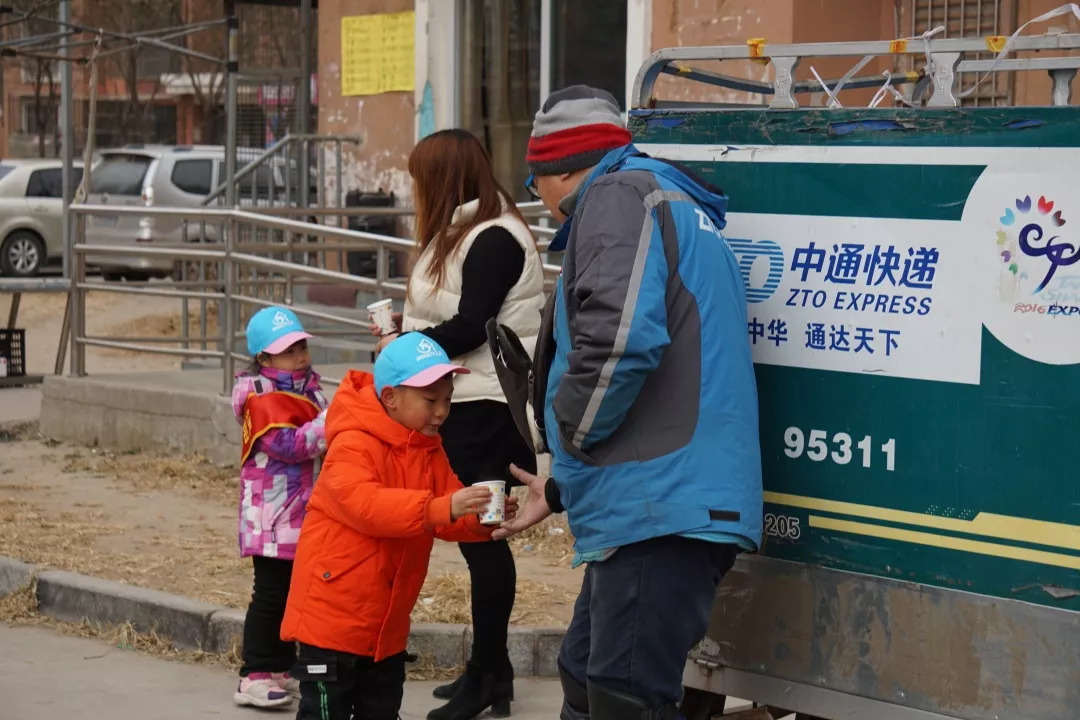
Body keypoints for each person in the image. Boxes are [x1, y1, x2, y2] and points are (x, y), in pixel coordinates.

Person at [494, 85, 764, 720]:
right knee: (589, 677)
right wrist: (562, 487)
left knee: (620, 692)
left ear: (560, 169)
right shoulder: (656, 199)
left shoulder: (617, 197)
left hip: (659, 503)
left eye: (536, 184)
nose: (542, 201)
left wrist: (571, 437)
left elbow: (619, 340)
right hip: (656, 497)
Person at [369, 128, 545, 720]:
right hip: (467, 402)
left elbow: (472, 326)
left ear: (443, 179)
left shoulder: (493, 236)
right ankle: (492, 672)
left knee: (483, 538)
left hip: (488, 408)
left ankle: (486, 673)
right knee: (480, 539)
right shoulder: (470, 229)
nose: (416, 189)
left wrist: (405, 345)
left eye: (422, 178)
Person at [279, 333, 518, 720]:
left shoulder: (427, 446)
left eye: (448, 400)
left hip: (386, 625)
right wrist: (444, 508)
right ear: (390, 397)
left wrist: (481, 518)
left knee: (382, 708)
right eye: (430, 401)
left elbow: (447, 509)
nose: (442, 412)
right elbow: (365, 506)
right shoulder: (353, 441)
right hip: (332, 620)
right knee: (325, 711)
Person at [231, 306, 329, 708]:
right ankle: (252, 674)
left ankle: (283, 667)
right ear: (264, 359)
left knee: (295, 594)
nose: (299, 355)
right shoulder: (259, 396)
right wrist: (331, 423)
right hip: (271, 515)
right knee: (270, 596)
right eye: (288, 350)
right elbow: (289, 446)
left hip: (302, 511)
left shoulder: (309, 387)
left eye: (301, 345)